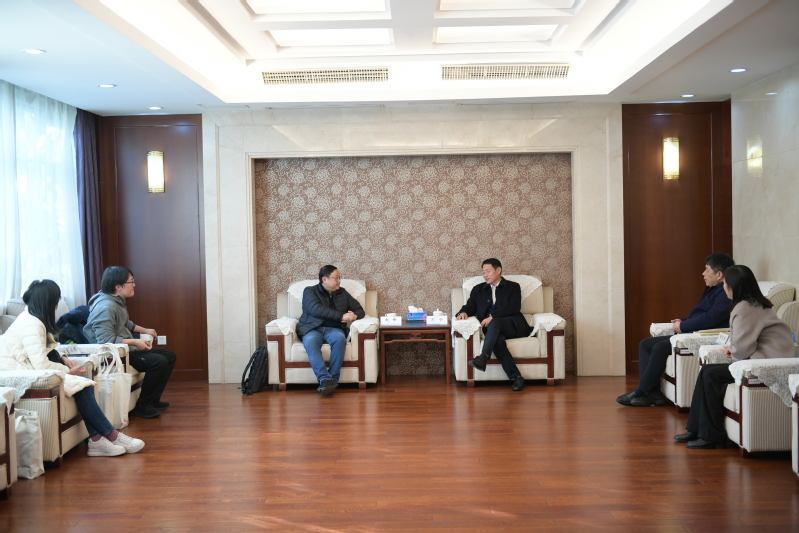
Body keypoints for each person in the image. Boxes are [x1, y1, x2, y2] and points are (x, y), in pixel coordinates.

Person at [0, 280, 144, 457]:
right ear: (48, 302)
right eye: (56, 301)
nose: (56, 306)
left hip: (27, 368)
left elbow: (45, 349)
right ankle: (109, 436)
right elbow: (41, 364)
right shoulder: (32, 324)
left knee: (84, 384)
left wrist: (63, 358)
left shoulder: (33, 318)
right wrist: (69, 371)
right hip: (18, 373)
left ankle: (98, 440)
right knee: (83, 384)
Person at [675, 265, 795, 449]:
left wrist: (732, 350)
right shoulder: (752, 303)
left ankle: (710, 436)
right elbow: (744, 343)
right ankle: (697, 430)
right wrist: (734, 350)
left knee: (710, 374)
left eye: (725, 284)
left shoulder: (745, 307)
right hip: (765, 357)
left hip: (766, 362)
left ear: (734, 286)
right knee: (707, 372)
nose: (723, 287)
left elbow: (741, 348)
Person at [617, 252, 735, 407]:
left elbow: (712, 318)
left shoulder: (725, 291)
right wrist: (683, 321)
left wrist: (683, 326)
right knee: (645, 344)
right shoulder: (714, 288)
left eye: (706, 270)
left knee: (659, 347)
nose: (703, 273)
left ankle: (642, 390)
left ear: (719, 274)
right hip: (693, 331)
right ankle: (653, 393)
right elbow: (702, 315)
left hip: (702, 336)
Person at [84, 267, 176, 419]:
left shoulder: (116, 301)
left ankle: (153, 400)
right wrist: (135, 342)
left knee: (169, 356)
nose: (134, 284)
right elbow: (105, 341)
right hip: (116, 354)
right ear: (118, 286)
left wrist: (145, 330)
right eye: (131, 281)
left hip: (126, 348)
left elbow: (125, 323)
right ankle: (143, 405)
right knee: (158, 361)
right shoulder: (106, 307)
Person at [455, 258, 532, 391]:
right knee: (497, 341)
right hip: (492, 330)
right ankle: (517, 378)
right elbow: (470, 306)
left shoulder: (513, 287)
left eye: (488, 271)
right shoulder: (478, 290)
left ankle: (483, 357)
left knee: (495, 322)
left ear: (498, 270)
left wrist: (492, 317)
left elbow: (514, 307)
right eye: (483, 272)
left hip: (512, 325)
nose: (485, 275)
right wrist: (463, 312)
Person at [297, 265, 364, 397]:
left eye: (339, 278)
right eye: (336, 278)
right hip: (312, 328)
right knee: (310, 342)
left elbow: (359, 310)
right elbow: (316, 309)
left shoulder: (342, 293)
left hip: (334, 329)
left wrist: (354, 316)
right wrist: (342, 315)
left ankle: (331, 380)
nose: (339, 281)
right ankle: (324, 379)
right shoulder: (310, 291)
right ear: (324, 279)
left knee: (339, 339)